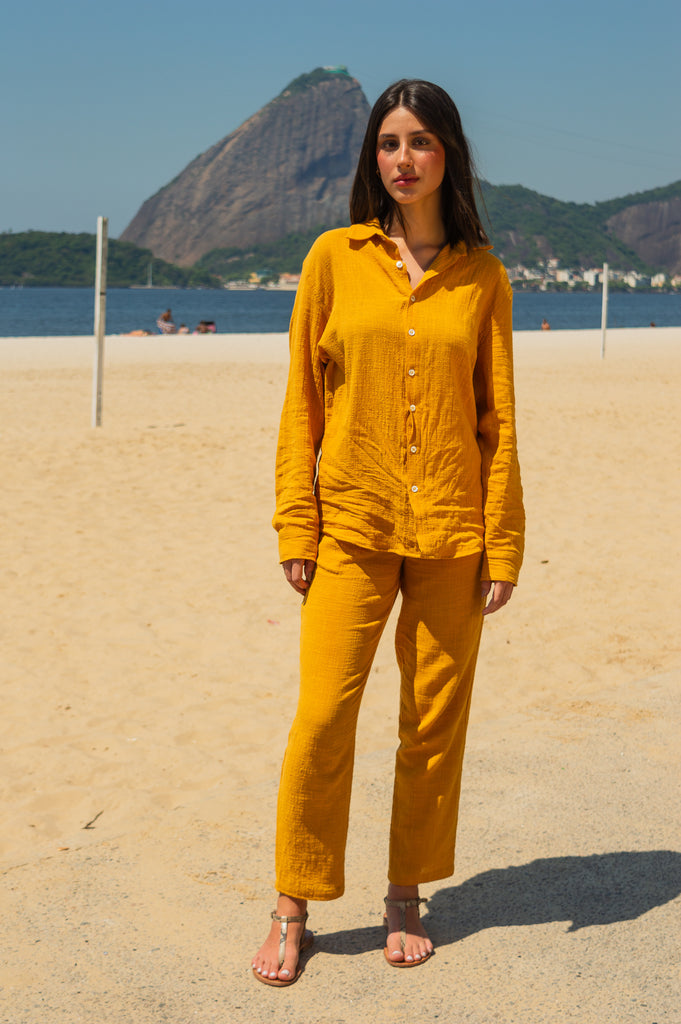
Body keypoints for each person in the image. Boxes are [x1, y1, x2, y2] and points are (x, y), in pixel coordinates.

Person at [251, 79, 525, 986]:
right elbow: (301, 402)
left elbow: (498, 420)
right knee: (324, 717)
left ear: (449, 153)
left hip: (451, 527)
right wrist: (298, 521)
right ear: (373, 159)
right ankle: (294, 900)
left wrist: (504, 541)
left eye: (418, 142)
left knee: (432, 722)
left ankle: (404, 893)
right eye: (386, 143)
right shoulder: (334, 257)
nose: (401, 159)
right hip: (353, 524)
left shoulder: (482, 275)